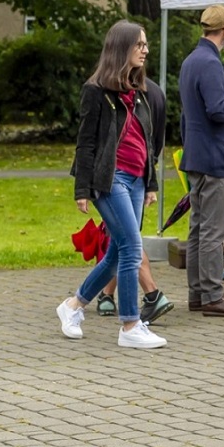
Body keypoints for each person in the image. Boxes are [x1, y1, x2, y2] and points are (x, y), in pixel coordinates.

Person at [56, 20, 167, 349]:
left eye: (146, 44)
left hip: (136, 179)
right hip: (110, 178)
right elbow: (86, 143)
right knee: (132, 247)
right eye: (139, 45)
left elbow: (147, 142)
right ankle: (130, 325)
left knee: (118, 254)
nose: (145, 50)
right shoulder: (95, 91)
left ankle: (73, 305)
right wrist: (82, 189)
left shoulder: (140, 91)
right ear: (121, 48)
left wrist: (150, 184)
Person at [179, 5, 224, 318]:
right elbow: (218, 109)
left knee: (198, 228)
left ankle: (198, 293)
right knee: (213, 229)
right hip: (214, 156)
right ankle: (211, 295)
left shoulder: (191, 60)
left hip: (197, 154)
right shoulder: (210, 62)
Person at [96, 75, 174, 324]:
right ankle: (104, 295)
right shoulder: (106, 88)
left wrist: (149, 181)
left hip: (128, 174)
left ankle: (149, 296)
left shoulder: (149, 93)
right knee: (123, 239)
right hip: (125, 174)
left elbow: (153, 141)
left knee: (126, 240)